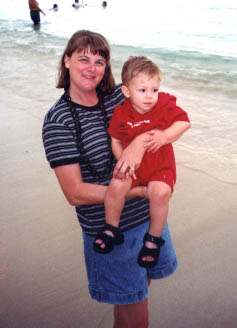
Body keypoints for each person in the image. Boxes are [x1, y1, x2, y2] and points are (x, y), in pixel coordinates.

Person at [42, 30, 190, 327]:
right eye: (83, 59)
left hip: (149, 220)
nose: (92, 68)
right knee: (135, 316)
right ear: (67, 60)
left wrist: (139, 143)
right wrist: (137, 191)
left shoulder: (120, 94)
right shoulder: (59, 121)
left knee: (136, 302)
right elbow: (75, 193)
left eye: (99, 61)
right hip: (112, 230)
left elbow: (163, 110)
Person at [94, 56, 190, 268]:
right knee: (116, 185)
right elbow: (115, 141)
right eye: (142, 90)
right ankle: (111, 228)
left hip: (160, 167)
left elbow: (184, 122)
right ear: (127, 91)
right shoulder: (121, 113)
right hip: (134, 168)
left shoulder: (164, 104)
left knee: (160, 192)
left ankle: (153, 239)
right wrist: (123, 162)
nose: (150, 96)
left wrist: (165, 136)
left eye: (154, 90)